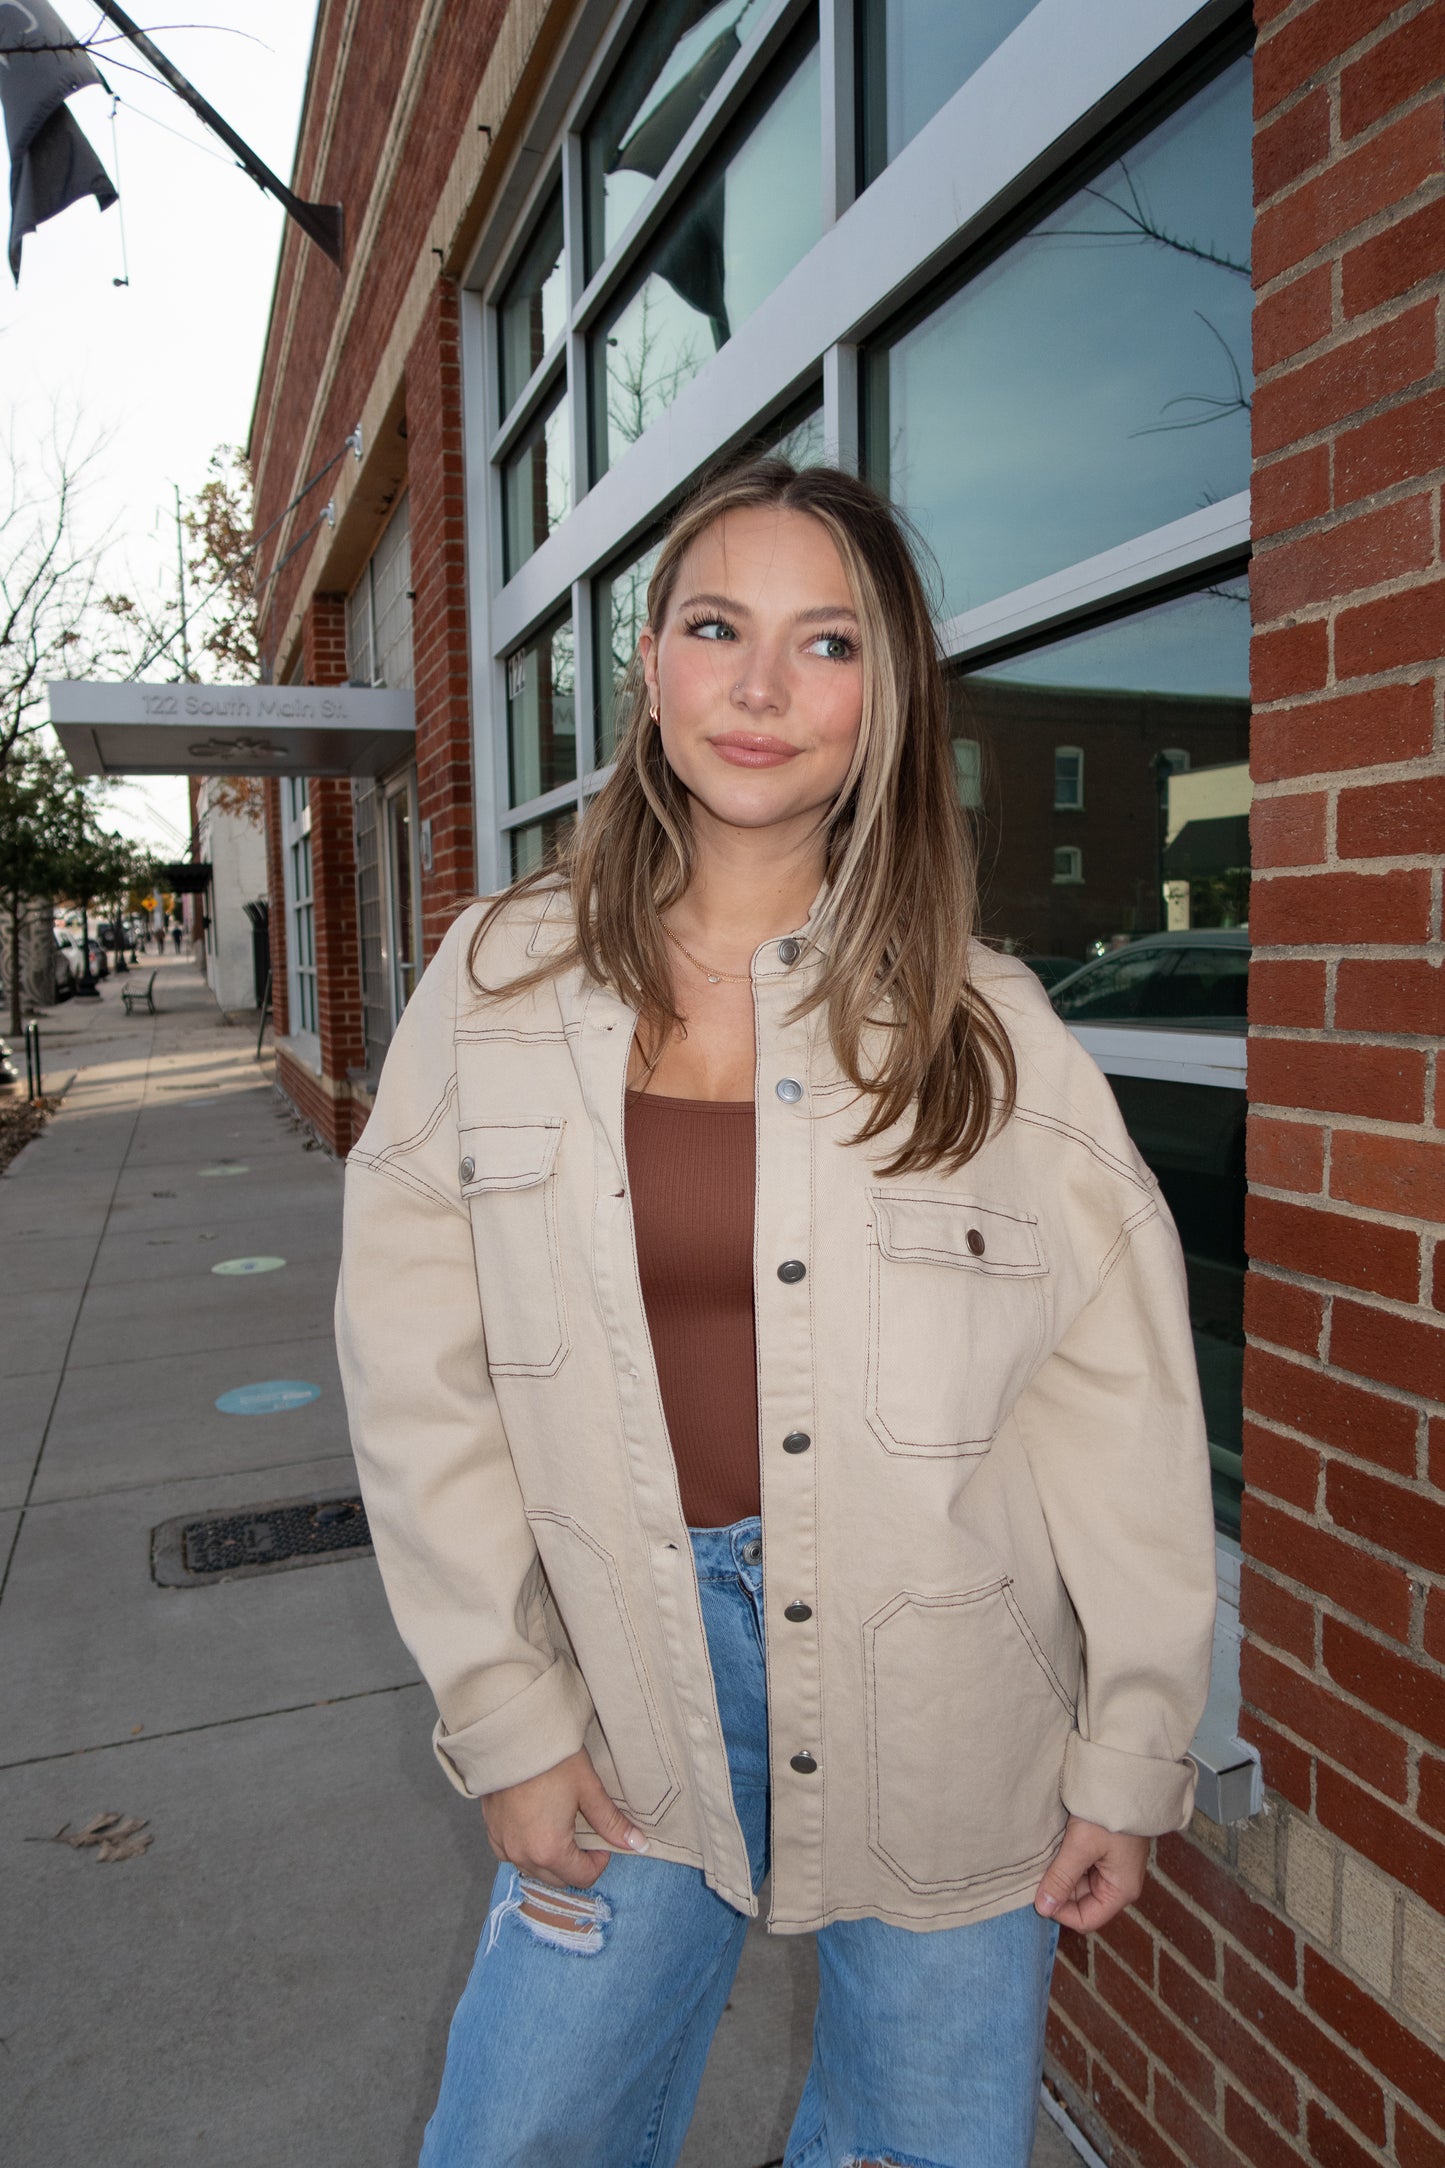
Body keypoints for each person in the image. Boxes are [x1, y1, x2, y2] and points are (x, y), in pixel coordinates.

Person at [335, 458, 1216, 2168]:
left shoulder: (996, 1031)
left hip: (947, 1701)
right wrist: (504, 1712)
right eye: (717, 627)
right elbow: (416, 1382)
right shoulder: (495, 985)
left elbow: (1114, 1406)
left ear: (884, 704)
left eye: (825, 646)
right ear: (649, 661)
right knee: (519, 2137)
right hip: (618, 1674)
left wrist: (1132, 1738)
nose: (758, 689)